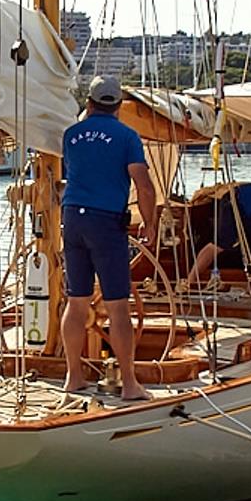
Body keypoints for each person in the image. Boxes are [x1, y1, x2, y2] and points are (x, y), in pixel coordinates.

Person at [61, 76, 158, 401]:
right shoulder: (127, 136)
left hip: (72, 217)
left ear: (89, 102)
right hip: (106, 223)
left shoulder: (71, 135)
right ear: (118, 105)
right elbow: (143, 185)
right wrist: (151, 224)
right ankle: (129, 384)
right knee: (118, 308)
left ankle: (73, 377)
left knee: (77, 302)